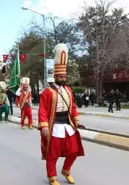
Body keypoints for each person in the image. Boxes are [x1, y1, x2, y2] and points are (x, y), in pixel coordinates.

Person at [38, 43, 85, 185]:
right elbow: (42, 110)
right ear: (55, 76)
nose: (63, 78)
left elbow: (73, 107)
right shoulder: (47, 91)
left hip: (67, 124)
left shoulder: (69, 90)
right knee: (53, 154)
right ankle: (52, 177)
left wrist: (76, 120)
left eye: (64, 76)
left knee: (74, 150)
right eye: (60, 76)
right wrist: (44, 126)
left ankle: (66, 170)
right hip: (54, 126)